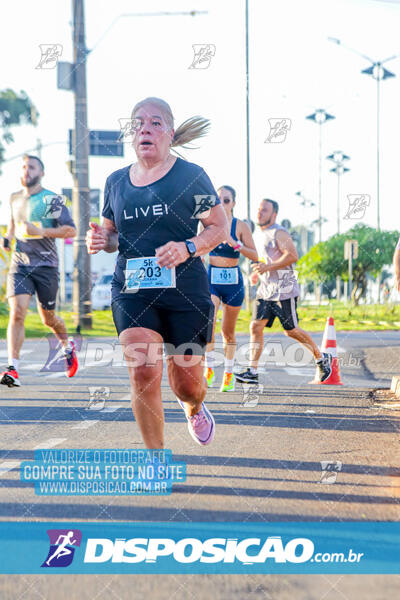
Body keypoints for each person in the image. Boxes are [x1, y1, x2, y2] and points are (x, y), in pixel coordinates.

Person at [86, 97, 227, 449]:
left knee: (187, 385)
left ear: (170, 133)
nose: (145, 128)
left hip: (186, 289)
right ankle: (155, 459)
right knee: (144, 370)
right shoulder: (116, 182)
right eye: (137, 124)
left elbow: (218, 227)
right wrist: (102, 238)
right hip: (133, 288)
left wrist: (188, 247)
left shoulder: (190, 177)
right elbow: (112, 235)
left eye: (154, 122)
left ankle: (194, 407)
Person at [235, 198, 332, 384]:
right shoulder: (259, 235)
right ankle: (252, 371)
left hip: (284, 290)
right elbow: (263, 260)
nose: (260, 213)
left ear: (274, 214)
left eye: (265, 210)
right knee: (255, 326)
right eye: (259, 209)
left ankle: (321, 358)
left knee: (291, 330)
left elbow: (292, 255)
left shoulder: (279, 232)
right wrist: (257, 273)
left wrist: (268, 267)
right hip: (266, 290)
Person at [0, 155, 78, 387]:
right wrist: (7, 238)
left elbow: (70, 231)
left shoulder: (51, 200)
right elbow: (13, 226)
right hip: (20, 263)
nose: (26, 171)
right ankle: (12, 368)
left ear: (41, 173)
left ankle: (67, 346)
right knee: (17, 312)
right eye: (23, 167)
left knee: (49, 319)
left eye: (31, 167)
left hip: (46, 265)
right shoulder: (14, 198)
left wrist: (41, 231)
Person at [204, 185, 258, 391]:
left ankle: (228, 373)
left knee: (228, 332)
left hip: (233, 282)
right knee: (209, 324)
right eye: (218, 200)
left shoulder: (241, 226)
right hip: (212, 281)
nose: (222, 204)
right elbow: (200, 247)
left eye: (226, 200)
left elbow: (254, 255)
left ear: (233, 203)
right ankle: (208, 369)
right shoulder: (207, 224)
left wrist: (236, 245)